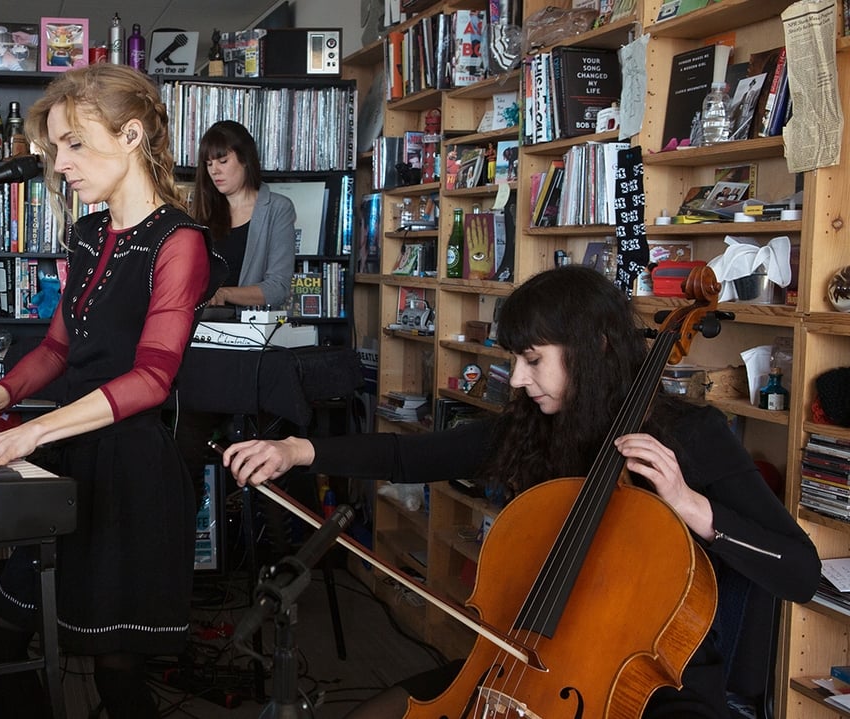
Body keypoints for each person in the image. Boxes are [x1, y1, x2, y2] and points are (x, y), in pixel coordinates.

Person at [221, 265, 820, 719]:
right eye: (517, 361)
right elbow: (409, 455)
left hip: (655, 691)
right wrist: (298, 451)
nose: (522, 379)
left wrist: (693, 507)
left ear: (596, 350)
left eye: (533, 359)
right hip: (528, 662)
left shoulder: (692, 436)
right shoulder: (536, 427)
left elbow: (799, 571)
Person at [0, 63, 216, 718]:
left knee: (117, 673)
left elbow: (154, 377)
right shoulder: (88, 232)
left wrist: (32, 429)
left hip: (130, 473)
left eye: (74, 141)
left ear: (131, 135)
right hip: (73, 458)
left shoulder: (179, 241)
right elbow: (55, 347)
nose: (60, 161)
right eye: (55, 146)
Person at [190, 119, 295, 310]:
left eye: (223, 161)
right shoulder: (201, 211)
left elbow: (278, 288)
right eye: (208, 164)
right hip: (202, 323)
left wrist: (224, 294)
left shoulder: (278, 209)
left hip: (250, 330)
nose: (214, 171)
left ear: (245, 159)